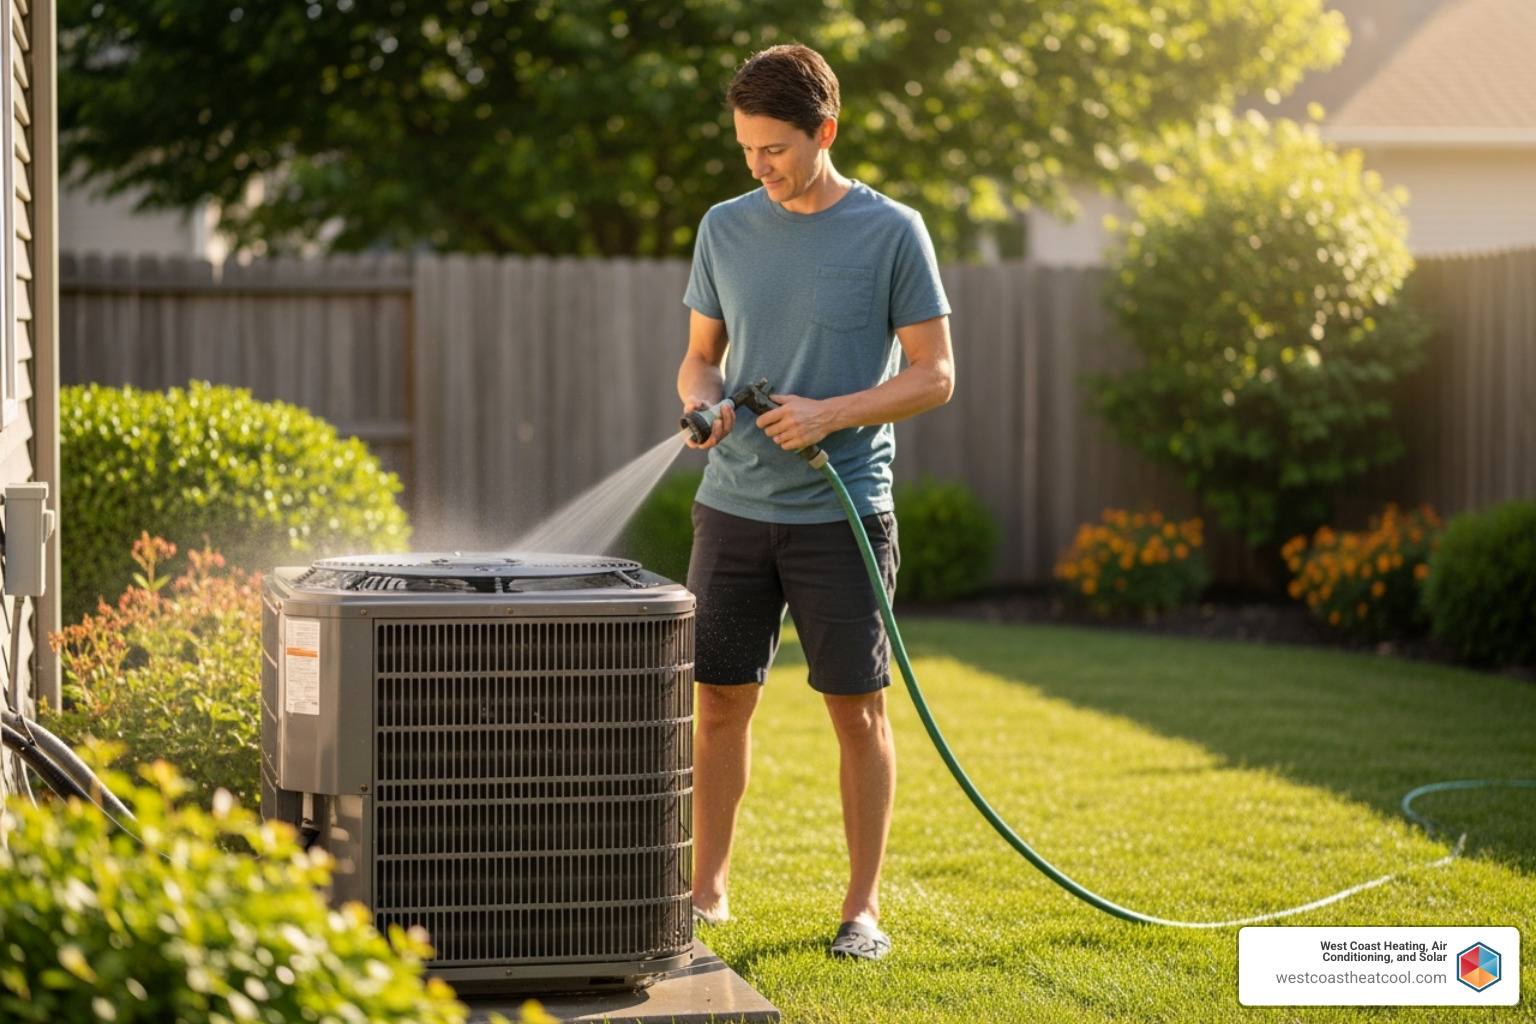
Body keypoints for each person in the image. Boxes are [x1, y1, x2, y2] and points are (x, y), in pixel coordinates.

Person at [676, 42, 954, 962]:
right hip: (734, 508)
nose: (759, 169)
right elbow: (700, 354)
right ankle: (706, 893)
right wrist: (702, 404)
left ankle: (861, 910)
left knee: (856, 710)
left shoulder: (892, 231)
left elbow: (935, 375)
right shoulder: (724, 226)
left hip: (844, 511)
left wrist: (833, 412)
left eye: (775, 151)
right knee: (717, 702)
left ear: (823, 132)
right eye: (747, 151)